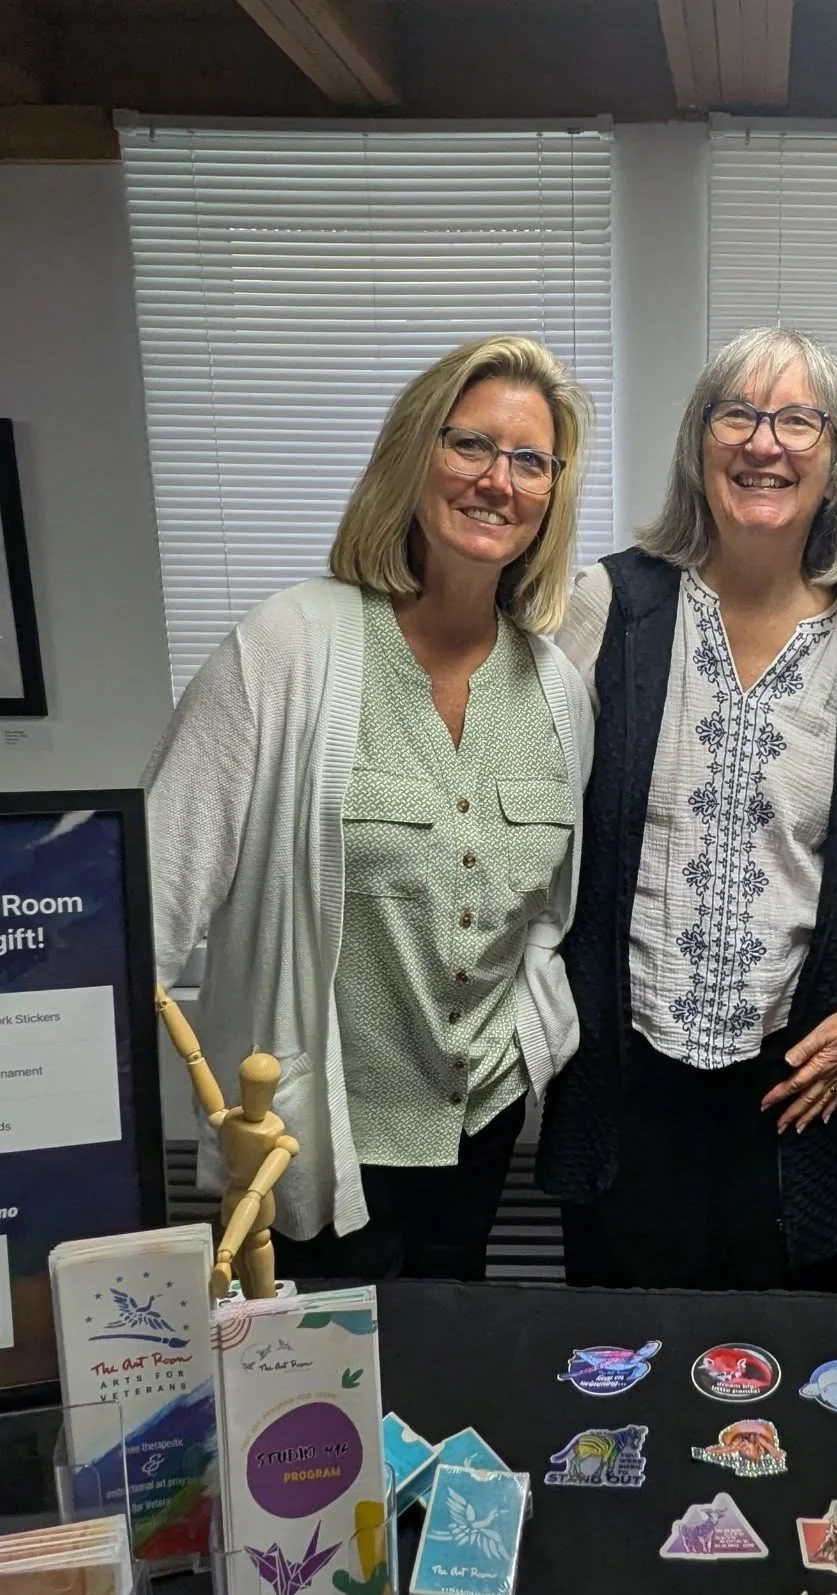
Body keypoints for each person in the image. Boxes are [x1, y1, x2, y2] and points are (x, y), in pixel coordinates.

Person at [145, 336, 595, 1283]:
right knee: (316, 1402)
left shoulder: (556, 688)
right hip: (317, 1133)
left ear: (552, 493)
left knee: (445, 1374)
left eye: (529, 461)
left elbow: (548, 913)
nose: (497, 481)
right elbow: (155, 892)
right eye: (469, 445)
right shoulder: (286, 651)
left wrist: (532, 1037)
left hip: (481, 1121)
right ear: (412, 456)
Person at [538, 327, 837, 1290]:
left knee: (788, 1381)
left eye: (798, 421)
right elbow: (531, 804)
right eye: (735, 414)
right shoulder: (612, 605)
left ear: (836, 462)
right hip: (624, 1076)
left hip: (794, 1088)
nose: (763, 443)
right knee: (616, 1372)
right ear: (699, 446)